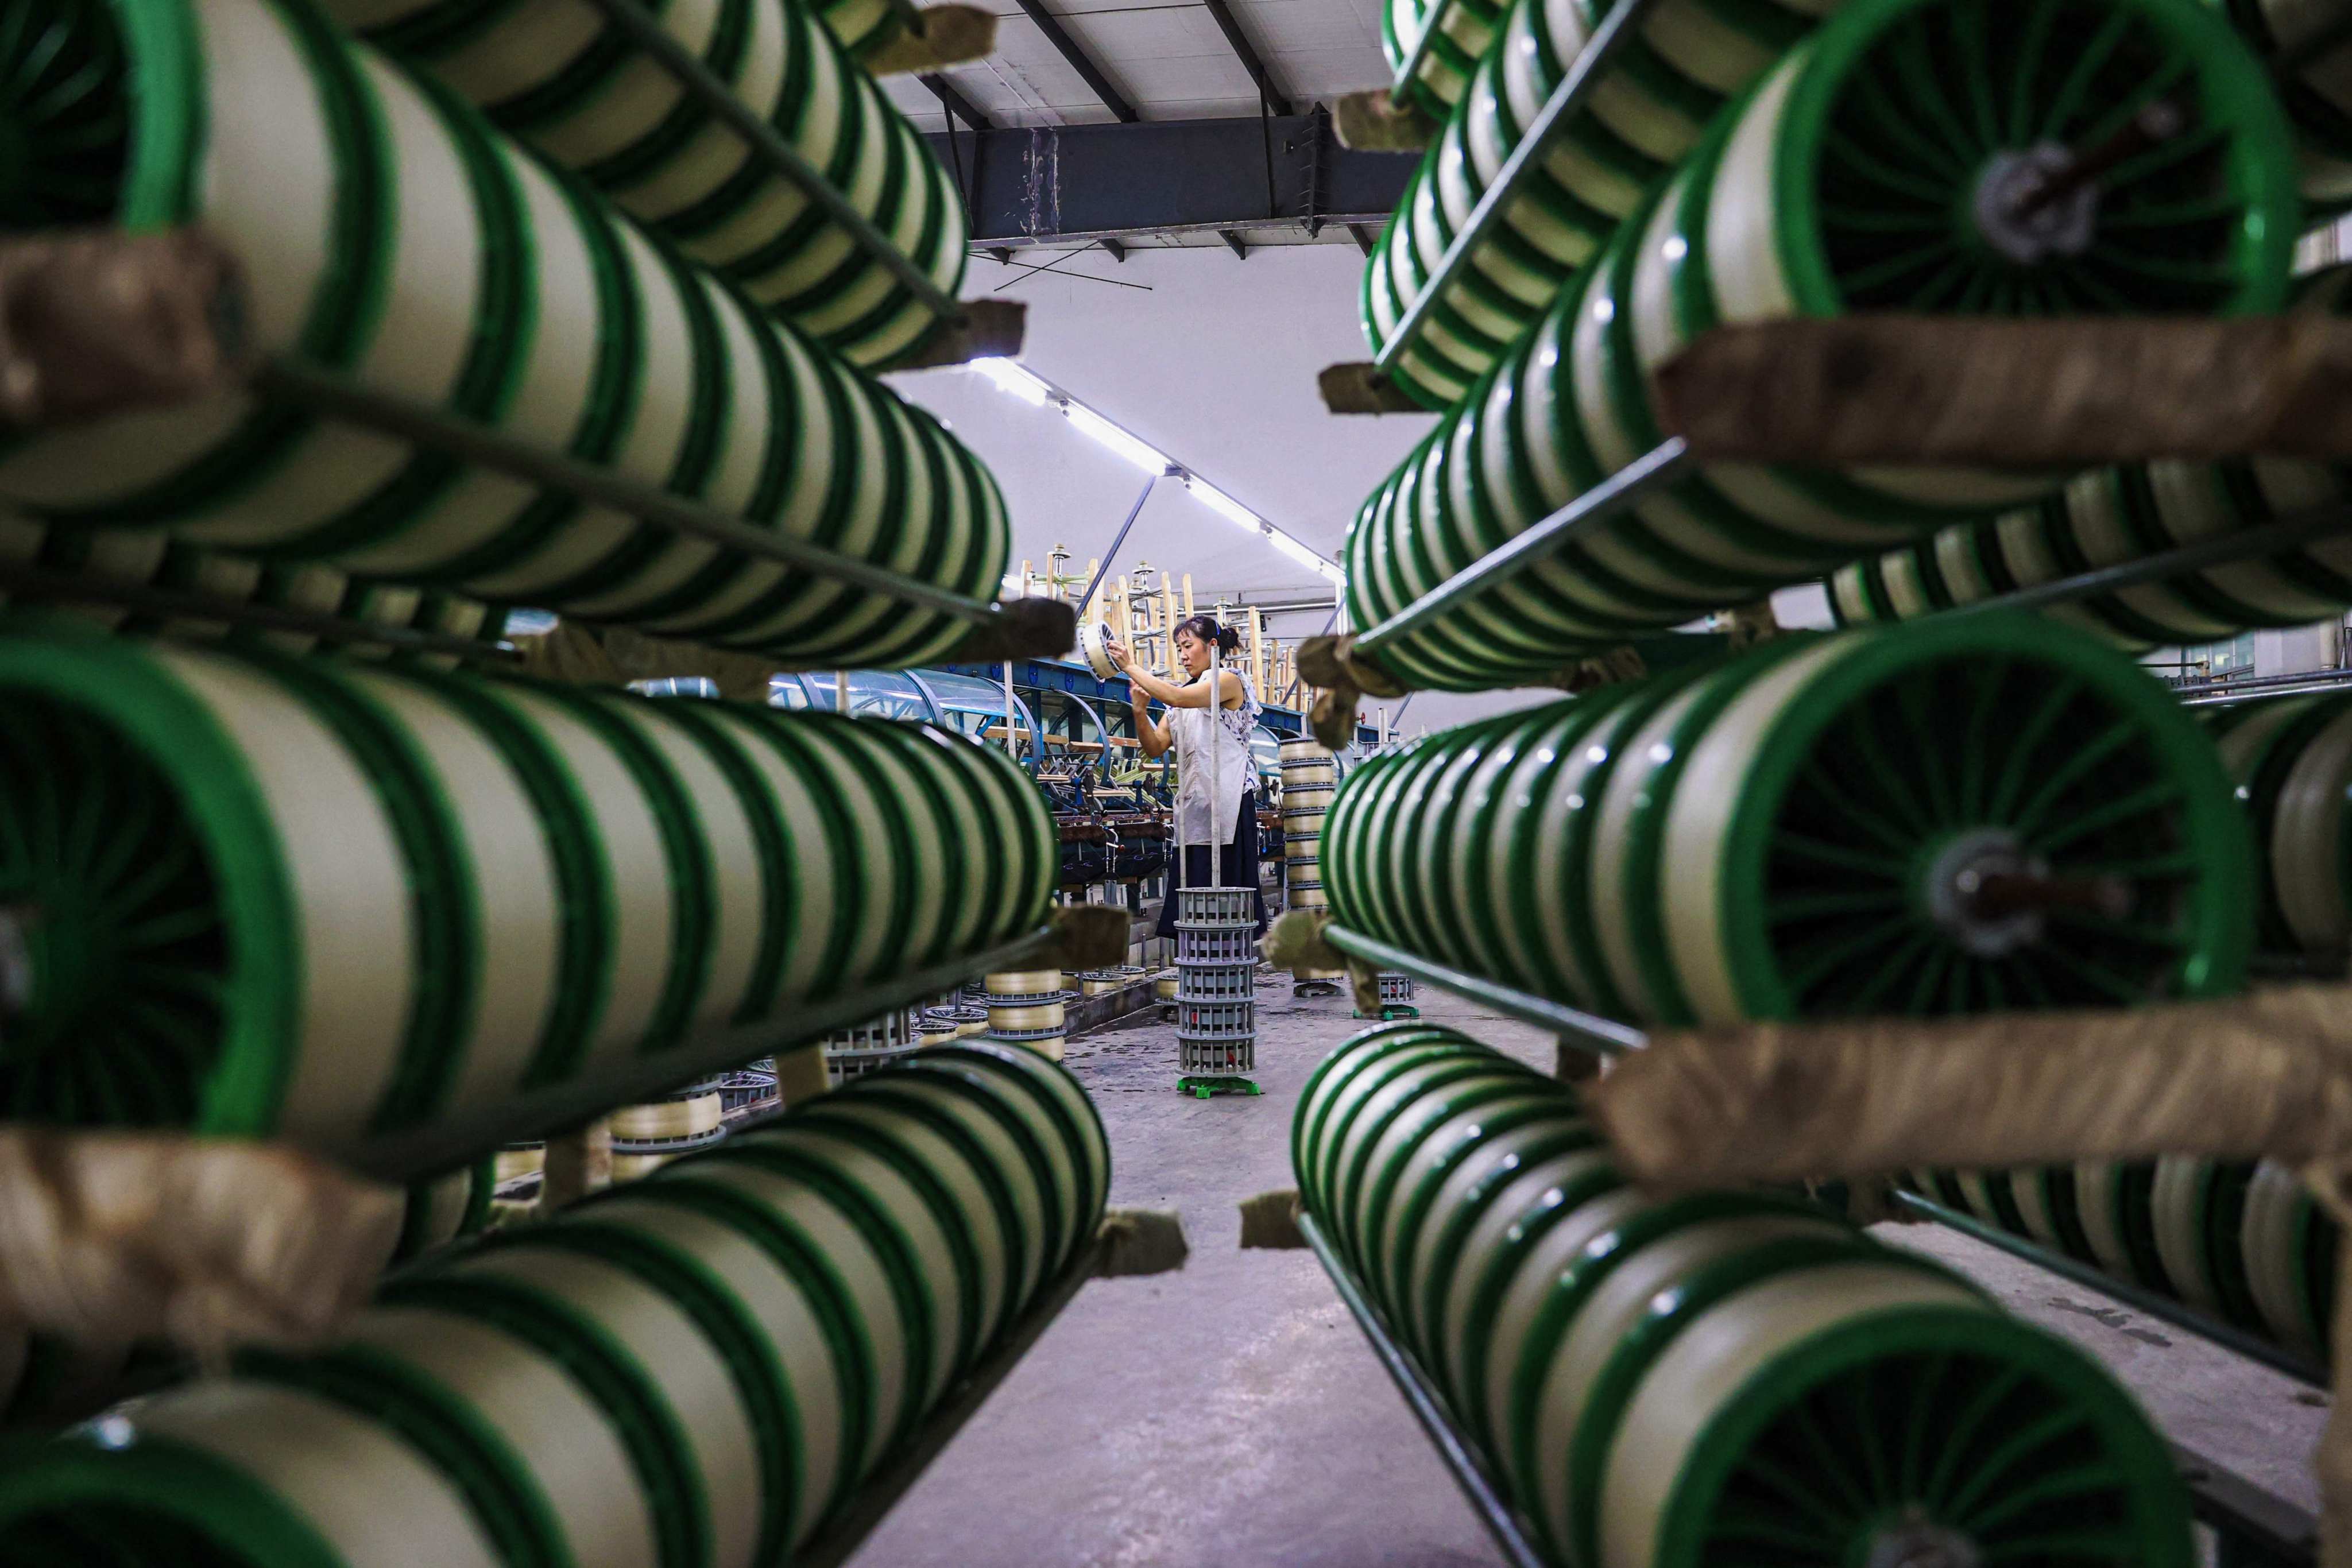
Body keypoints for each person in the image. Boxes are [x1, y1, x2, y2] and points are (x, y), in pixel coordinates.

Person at [1105, 615, 1268, 939]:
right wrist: (1139, 712)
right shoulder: (1182, 698)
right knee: (1195, 899)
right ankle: (1200, 967)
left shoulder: (1228, 681)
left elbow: (1176, 697)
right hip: (1196, 810)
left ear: (1212, 646)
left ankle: (1229, 969)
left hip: (1231, 806)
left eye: (1187, 646)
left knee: (1230, 898)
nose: (1182, 655)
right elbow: (1154, 747)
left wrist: (1130, 666)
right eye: (1178, 648)